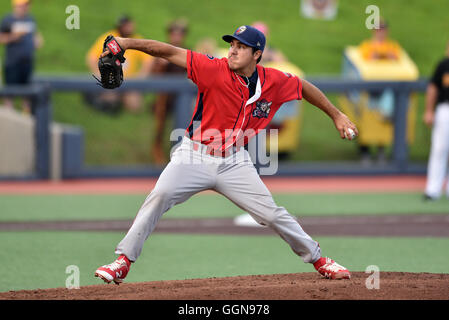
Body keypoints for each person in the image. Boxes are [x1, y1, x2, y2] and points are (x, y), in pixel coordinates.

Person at [94, 25, 358, 284]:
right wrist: (127, 43)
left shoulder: (273, 81)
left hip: (234, 161)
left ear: (257, 54)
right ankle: (123, 261)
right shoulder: (212, 68)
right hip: (194, 155)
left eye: (241, 47)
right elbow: (167, 51)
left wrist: (337, 115)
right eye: (232, 44)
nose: (232, 51)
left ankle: (319, 260)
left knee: (272, 215)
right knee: (158, 196)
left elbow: (304, 87)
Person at [85, 15, 152, 114]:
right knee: (110, 101)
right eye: (125, 26)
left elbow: (149, 60)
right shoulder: (109, 38)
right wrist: (100, 75)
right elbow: (91, 57)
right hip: (111, 79)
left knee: (135, 105)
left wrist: (141, 76)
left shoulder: (135, 39)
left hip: (129, 81)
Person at [357, 20, 400, 165]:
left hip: (386, 87)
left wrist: (386, 56)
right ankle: (365, 151)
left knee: (383, 118)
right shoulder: (367, 46)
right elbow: (364, 63)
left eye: (383, 29)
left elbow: (398, 62)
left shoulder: (392, 46)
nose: (381, 32)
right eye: (378, 29)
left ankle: (381, 151)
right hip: (370, 89)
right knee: (367, 119)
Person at [149, 19, 189, 164]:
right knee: (160, 124)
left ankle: (184, 155)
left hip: (182, 98)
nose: (177, 36)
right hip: (164, 97)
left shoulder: (186, 52)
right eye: (174, 33)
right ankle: (157, 150)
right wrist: (160, 65)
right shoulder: (162, 51)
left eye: (180, 33)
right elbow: (152, 76)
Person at [0, 0, 43, 113]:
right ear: (15, 6)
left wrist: (37, 41)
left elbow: (35, 35)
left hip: (28, 62)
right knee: (10, 94)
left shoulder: (31, 19)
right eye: (22, 5)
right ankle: (8, 120)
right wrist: (14, 37)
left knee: (28, 94)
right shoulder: (8, 20)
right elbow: (1, 38)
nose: (25, 7)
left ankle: (27, 118)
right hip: (12, 63)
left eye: (27, 5)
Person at [423, 40, 449, 201]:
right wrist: (428, 110)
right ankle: (433, 189)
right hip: (445, 109)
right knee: (439, 148)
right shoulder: (444, 65)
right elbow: (433, 88)